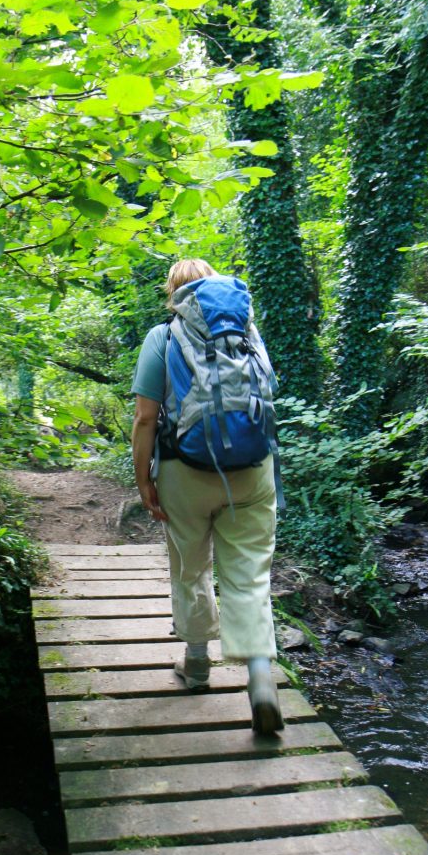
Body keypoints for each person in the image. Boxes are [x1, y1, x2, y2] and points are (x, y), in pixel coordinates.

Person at [131, 258, 283, 735]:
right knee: (249, 573)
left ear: (174, 294)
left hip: (185, 472)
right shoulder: (248, 333)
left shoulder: (165, 336)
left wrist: (144, 480)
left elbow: (145, 419)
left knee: (191, 565)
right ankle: (260, 678)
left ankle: (196, 667)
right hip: (253, 472)